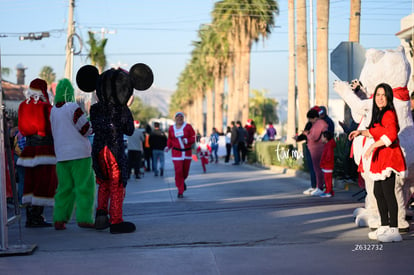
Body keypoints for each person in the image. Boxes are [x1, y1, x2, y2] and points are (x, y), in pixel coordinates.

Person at [349, 83, 406, 242]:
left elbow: (392, 134)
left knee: (388, 194)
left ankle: (394, 230)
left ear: (388, 97)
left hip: (389, 158)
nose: (380, 98)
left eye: (383, 95)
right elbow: (375, 131)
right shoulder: (379, 114)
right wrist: (360, 132)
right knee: (378, 193)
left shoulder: (388, 113)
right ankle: (385, 226)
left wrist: (373, 145)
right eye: (378, 95)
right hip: (380, 158)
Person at [50, 79, 96, 230]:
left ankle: (59, 219)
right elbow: (85, 129)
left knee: (64, 188)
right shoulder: (73, 107)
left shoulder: (53, 111)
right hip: (80, 154)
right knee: (84, 187)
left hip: (61, 155)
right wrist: (91, 125)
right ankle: (84, 218)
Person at [17, 78, 58, 227]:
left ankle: (30, 216)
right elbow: (51, 128)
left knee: (30, 181)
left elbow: (21, 129)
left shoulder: (22, 106)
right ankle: (36, 216)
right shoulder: (46, 107)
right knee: (44, 182)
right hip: (45, 149)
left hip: (28, 148)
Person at [165, 112, 196, 198]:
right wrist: (168, 146)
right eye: (177, 117)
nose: (179, 118)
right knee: (178, 172)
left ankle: (182, 182)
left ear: (183, 118)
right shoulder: (171, 128)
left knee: (185, 172)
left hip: (187, 153)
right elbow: (170, 139)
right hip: (176, 153)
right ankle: (180, 190)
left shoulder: (188, 127)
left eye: (181, 117)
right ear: (175, 118)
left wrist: (187, 140)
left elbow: (193, 137)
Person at [303, 108, 328, 196]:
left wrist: (307, 134)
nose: (310, 121)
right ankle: (319, 186)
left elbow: (314, 137)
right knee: (318, 169)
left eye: (310, 119)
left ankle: (320, 187)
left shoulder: (319, 124)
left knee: (318, 169)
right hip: (316, 149)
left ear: (313, 117)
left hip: (317, 150)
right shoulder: (319, 123)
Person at [319, 130, 336, 198]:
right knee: (327, 179)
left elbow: (328, 156)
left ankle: (328, 192)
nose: (321, 139)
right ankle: (329, 191)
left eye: (322, 137)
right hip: (327, 166)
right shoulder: (328, 145)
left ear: (325, 138)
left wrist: (324, 162)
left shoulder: (328, 145)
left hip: (328, 166)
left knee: (328, 180)